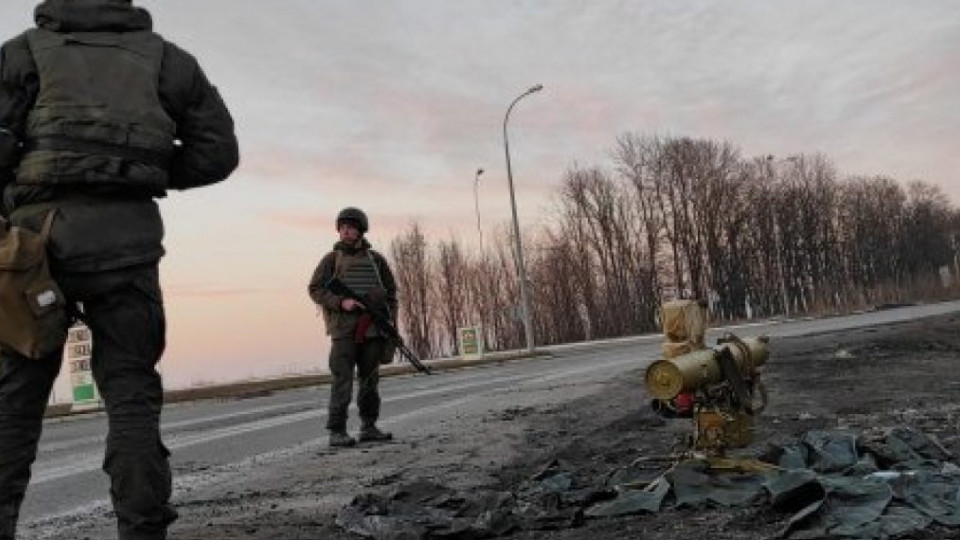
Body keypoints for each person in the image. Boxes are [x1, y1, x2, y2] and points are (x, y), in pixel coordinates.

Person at [0, 1, 239, 539]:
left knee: (13, 403)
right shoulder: (168, 60)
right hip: (127, 245)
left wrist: (17, 202)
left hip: (35, 248)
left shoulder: (21, 53)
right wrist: (138, 171)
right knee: (131, 395)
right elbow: (218, 152)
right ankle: (142, 527)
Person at [308, 207, 398, 448]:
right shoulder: (331, 260)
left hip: (372, 330)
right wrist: (341, 301)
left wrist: (389, 324)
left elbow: (391, 294)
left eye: (351, 227)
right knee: (342, 380)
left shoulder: (376, 260)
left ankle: (369, 426)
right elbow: (315, 289)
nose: (346, 231)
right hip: (344, 330)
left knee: (370, 380)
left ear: (360, 231)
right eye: (343, 228)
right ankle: (337, 431)